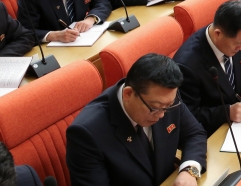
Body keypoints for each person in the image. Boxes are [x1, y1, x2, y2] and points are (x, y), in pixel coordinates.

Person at [66, 54, 207, 186]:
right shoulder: (87, 133)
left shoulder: (164, 98)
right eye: (155, 108)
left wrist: (189, 170)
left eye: (168, 106)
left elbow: (194, 133)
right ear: (128, 94)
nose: (162, 115)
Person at [173, 0, 241, 136]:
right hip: (216, 132)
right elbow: (188, 115)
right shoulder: (186, 65)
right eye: (239, 44)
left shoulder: (236, 37)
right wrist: (226, 112)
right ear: (218, 34)